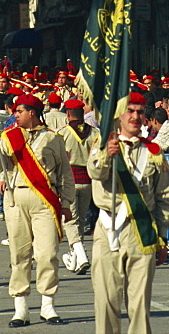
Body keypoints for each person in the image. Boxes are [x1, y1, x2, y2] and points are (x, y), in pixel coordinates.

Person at [87, 91, 169, 334]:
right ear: (119, 115)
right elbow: (95, 173)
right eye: (130, 111)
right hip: (108, 228)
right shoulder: (103, 144)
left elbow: (163, 197)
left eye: (140, 112)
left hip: (142, 231)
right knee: (106, 301)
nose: (135, 116)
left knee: (139, 305)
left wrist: (163, 236)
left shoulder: (154, 152)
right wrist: (107, 155)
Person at [0, 92, 75, 327]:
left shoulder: (53, 138)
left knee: (47, 253)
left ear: (32, 113)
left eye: (19, 111)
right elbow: (0, 166)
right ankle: (21, 309)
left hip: (45, 200)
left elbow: (65, 173)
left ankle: (48, 306)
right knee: (19, 254)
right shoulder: (9, 137)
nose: (15, 115)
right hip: (17, 198)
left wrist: (66, 203)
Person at [60, 97, 98, 275]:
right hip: (88, 180)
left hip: (69, 180)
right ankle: (76, 257)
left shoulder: (62, 133)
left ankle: (81, 255)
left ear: (68, 114)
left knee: (70, 220)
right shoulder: (94, 132)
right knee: (81, 220)